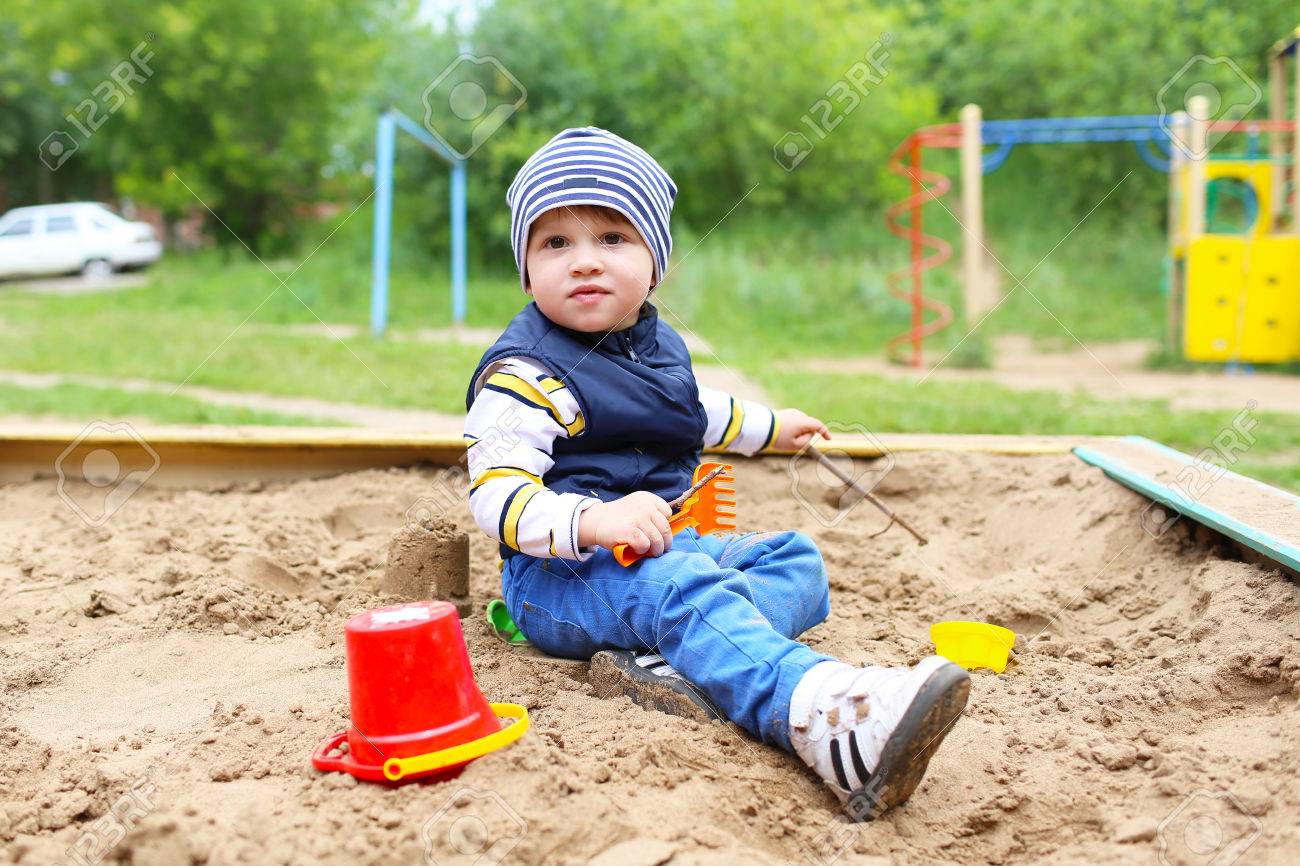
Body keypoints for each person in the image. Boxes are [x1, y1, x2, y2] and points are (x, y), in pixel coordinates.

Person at [463, 127, 969, 819]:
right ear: (526, 271)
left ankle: (686, 651)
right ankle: (818, 716)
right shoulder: (524, 373)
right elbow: (497, 497)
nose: (584, 261)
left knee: (796, 561)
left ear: (655, 261)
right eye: (555, 243)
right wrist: (593, 520)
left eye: (612, 238)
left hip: (663, 548)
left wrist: (772, 428)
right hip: (562, 578)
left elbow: (692, 412)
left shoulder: (655, 346)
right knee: (683, 590)